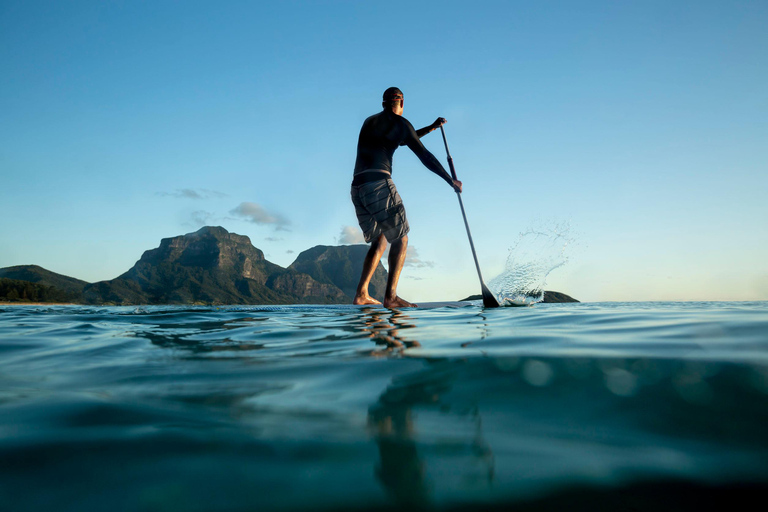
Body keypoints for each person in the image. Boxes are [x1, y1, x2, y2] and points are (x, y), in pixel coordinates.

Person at [351, 87, 462, 308]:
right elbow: (424, 155)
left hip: (358, 188)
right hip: (378, 184)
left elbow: (402, 139)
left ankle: (362, 293)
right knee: (400, 238)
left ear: (384, 103)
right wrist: (451, 180)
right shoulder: (401, 124)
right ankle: (391, 297)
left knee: (380, 238)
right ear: (401, 103)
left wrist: (430, 128)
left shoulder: (369, 122)